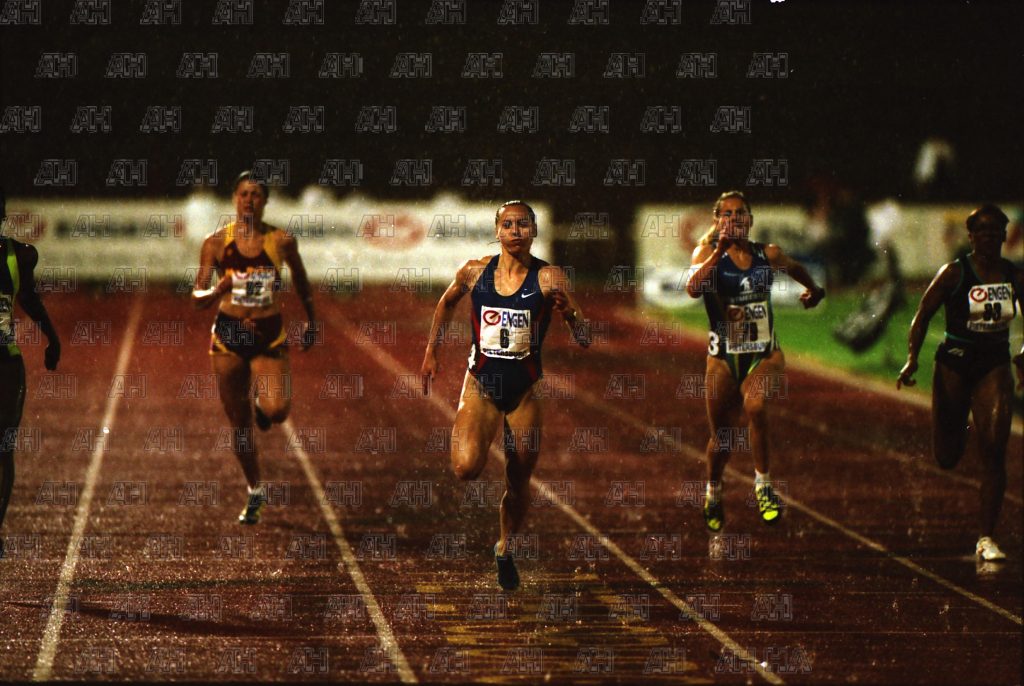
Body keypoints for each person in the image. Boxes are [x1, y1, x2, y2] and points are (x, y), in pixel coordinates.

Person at [420, 200, 590, 590]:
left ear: (534, 231)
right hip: (481, 384)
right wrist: (432, 351)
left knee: (519, 478)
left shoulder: (549, 278)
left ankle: (505, 546)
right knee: (465, 468)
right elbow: (446, 303)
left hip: (524, 392)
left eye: (523, 225)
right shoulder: (475, 271)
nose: (515, 232)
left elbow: (585, 337)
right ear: (497, 231)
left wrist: (571, 314)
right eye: (508, 225)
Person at [685, 191, 825, 533]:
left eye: (740, 213)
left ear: (750, 220)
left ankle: (763, 486)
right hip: (722, 359)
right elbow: (692, 288)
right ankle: (713, 491)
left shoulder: (768, 254)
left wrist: (813, 290)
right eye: (727, 214)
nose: (734, 219)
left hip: (764, 353)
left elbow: (795, 267)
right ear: (717, 221)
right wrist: (718, 251)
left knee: (756, 405)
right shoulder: (706, 253)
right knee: (722, 440)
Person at [897, 204, 1023, 561]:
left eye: (995, 231)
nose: (988, 237)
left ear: (1004, 236)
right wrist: (912, 359)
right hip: (954, 362)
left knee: (995, 450)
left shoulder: (1013, 275)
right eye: (981, 230)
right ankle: (960, 425)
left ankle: (986, 538)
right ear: (970, 236)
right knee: (947, 456)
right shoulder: (954, 273)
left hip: (994, 364)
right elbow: (922, 315)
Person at [192, 172, 317, 525]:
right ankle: (255, 490)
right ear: (234, 198)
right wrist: (219, 289)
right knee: (239, 424)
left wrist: (311, 319)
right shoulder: (216, 243)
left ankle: (264, 406)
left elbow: (302, 280)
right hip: (229, 336)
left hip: (267, 334)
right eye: (244, 194)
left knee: (278, 410)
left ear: (265, 201)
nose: (249, 200)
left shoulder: (282, 241)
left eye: (256, 195)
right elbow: (197, 297)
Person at [1, 186, 61, 559]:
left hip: (5, 363)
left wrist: (52, 338)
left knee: (3, 447)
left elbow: (30, 299)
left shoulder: (19, 255)